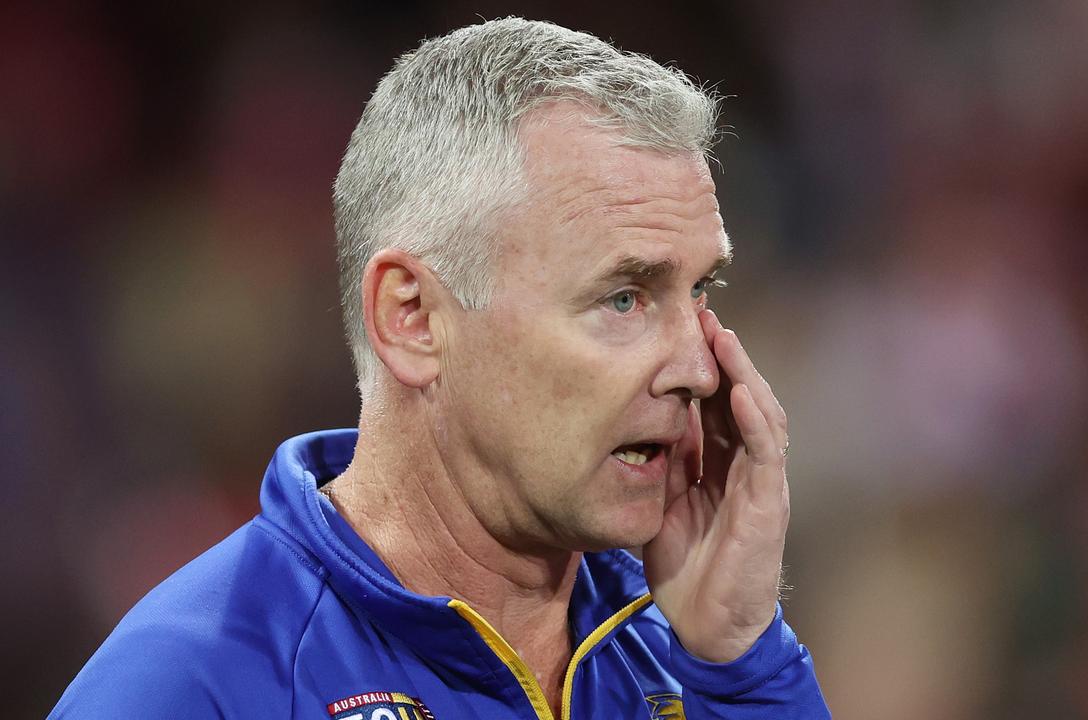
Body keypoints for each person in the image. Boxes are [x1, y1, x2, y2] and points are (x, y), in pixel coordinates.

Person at [54, 17, 830, 719]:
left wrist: (740, 664)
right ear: (413, 318)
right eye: (625, 297)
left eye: (701, 290)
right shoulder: (192, 685)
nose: (699, 368)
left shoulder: (694, 658)